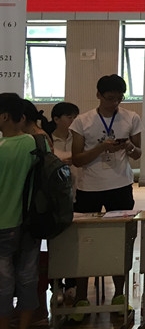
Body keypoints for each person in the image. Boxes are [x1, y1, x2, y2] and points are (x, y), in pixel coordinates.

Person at [69, 74, 142, 318]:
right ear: (98, 95)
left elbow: (138, 153)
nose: (115, 103)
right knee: (83, 243)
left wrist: (129, 147)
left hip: (120, 186)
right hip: (89, 188)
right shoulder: (82, 121)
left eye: (119, 98)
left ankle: (120, 295)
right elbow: (77, 159)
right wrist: (102, 147)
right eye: (110, 98)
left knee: (121, 241)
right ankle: (81, 299)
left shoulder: (131, 117)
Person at [0, 93, 40, 329]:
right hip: (30, 222)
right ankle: (24, 325)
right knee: (27, 276)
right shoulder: (35, 143)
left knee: (3, 282)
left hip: (2, 224)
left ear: (4, 116)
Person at [45, 102, 80, 303]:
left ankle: (72, 284)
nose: (73, 120)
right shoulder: (47, 139)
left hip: (77, 194)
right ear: (56, 119)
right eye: (69, 117)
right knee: (56, 244)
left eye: (75, 116)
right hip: (56, 200)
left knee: (74, 243)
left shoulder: (79, 137)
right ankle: (55, 285)